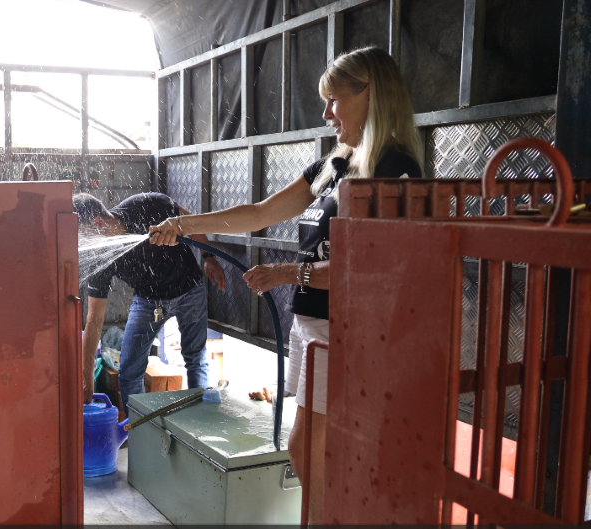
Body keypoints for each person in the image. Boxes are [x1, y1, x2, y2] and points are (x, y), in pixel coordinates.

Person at [147, 47, 421, 522]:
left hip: (348, 331)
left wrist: (289, 273)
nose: (326, 112)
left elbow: (375, 270)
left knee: (314, 448)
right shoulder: (332, 167)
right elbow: (257, 214)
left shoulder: (393, 168)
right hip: (310, 326)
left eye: (335, 99)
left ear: (370, 93)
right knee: (310, 447)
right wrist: (185, 225)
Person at [73, 192, 226, 408]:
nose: (85, 246)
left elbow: (188, 219)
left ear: (99, 223)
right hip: (148, 301)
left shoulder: (147, 205)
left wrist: (209, 257)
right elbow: (94, 319)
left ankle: (198, 423)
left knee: (195, 359)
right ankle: (141, 429)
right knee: (129, 371)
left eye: (85, 238)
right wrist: (86, 376)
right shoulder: (102, 260)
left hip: (188, 287)